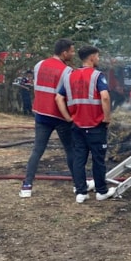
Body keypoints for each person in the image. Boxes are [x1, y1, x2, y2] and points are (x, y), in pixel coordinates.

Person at [19, 39, 94, 198]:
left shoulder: (38, 65)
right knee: (71, 150)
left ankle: (26, 186)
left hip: (41, 114)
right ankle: (77, 184)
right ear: (64, 52)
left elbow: (36, 87)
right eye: (71, 51)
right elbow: (67, 95)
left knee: (37, 151)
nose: (73, 54)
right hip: (60, 117)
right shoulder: (66, 71)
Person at [55, 45, 116, 203]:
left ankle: (81, 192)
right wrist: (107, 118)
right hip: (95, 125)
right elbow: (105, 97)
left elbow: (58, 98)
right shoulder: (97, 76)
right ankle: (101, 191)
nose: (98, 59)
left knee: (79, 159)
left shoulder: (70, 76)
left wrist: (69, 118)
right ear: (92, 58)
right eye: (97, 56)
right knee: (98, 160)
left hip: (77, 125)